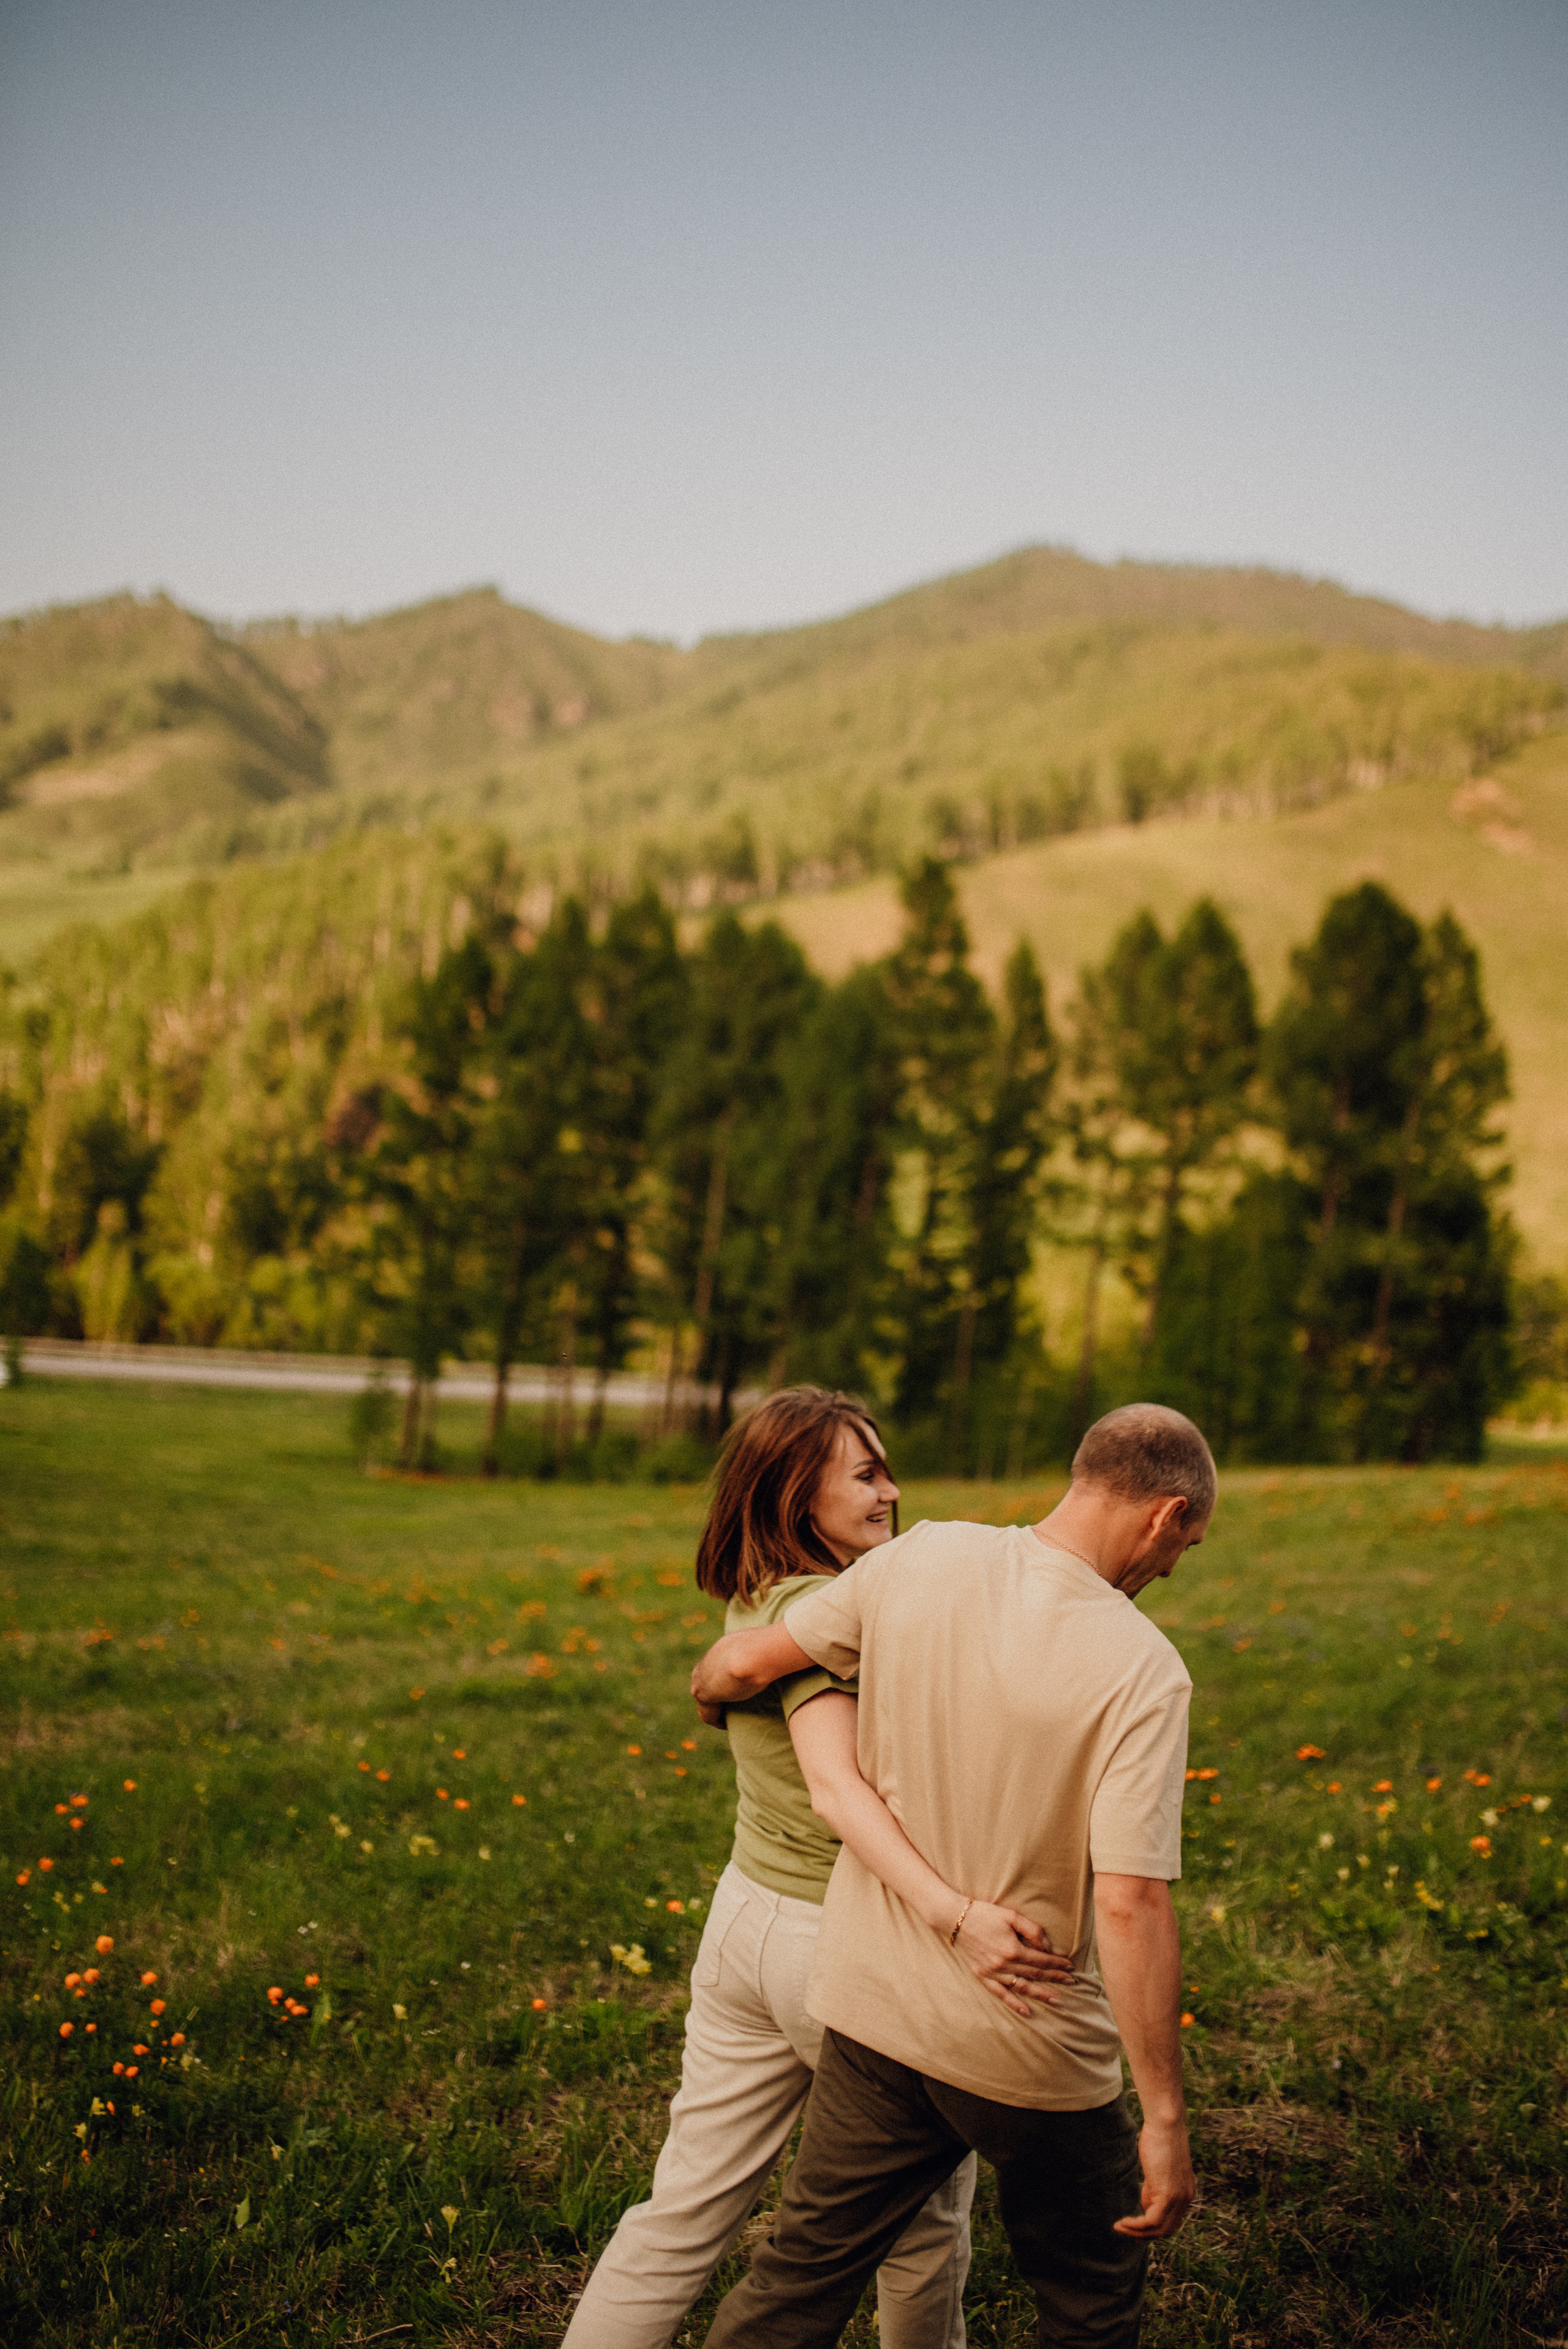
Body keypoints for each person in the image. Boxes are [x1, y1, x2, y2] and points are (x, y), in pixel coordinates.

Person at [688, 1401, 1215, 2349]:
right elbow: (1131, 1899)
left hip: (874, 2015)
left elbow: (750, 1659)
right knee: (1092, 2291)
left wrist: (711, 1687)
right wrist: (1166, 2118)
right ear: (1167, 1515)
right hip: (1027, 2040)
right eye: (1188, 1545)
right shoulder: (1146, 1670)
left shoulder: (923, 1554)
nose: (1176, 1565)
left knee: (799, 2277)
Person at [563, 1386, 1072, 2349]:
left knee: (682, 2211)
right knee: (922, 2228)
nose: (890, 1491)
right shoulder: (821, 1613)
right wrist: (956, 1914)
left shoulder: (762, 1596)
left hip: (748, 1925)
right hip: (847, 1944)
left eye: (887, 1469)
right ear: (798, 1492)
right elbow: (839, 1791)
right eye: (866, 1474)